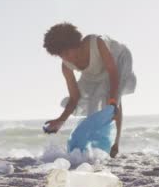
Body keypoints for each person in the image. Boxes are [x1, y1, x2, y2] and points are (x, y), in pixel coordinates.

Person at [43, 23, 136, 158]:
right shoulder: (66, 66)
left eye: (67, 52)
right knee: (93, 103)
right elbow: (74, 97)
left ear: (77, 44)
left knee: (112, 100)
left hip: (116, 62)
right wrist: (60, 120)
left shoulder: (96, 43)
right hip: (94, 74)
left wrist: (112, 100)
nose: (66, 57)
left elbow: (113, 73)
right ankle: (96, 147)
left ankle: (116, 143)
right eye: (61, 55)